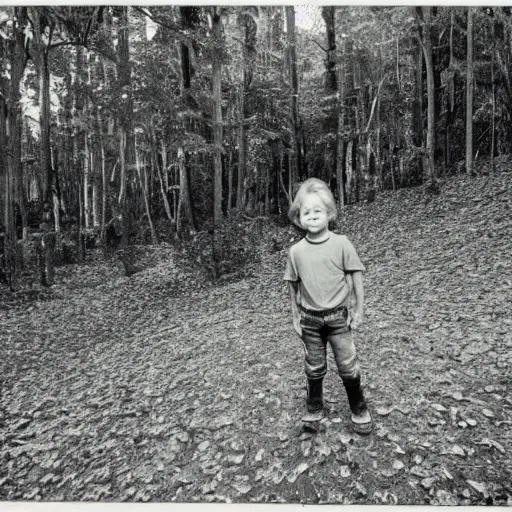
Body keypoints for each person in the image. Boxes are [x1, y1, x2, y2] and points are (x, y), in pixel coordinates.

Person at [283, 178, 373, 435]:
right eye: (306, 212)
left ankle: (359, 407)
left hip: (338, 319)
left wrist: (358, 309)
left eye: (317, 211)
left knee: (347, 363)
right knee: (313, 365)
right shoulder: (296, 251)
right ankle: (314, 406)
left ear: (329, 213)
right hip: (309, 321)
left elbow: (356, 276)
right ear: (299, 217)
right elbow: (292, 284)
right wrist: (294, 316)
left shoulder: (341, 243)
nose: (312, 216)